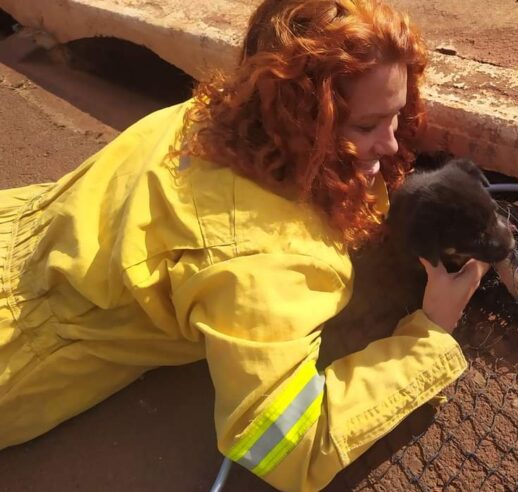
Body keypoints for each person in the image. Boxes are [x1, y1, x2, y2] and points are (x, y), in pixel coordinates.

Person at [0, 0, 489, 490]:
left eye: (395, 116)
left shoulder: (208, 114)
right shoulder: (266, 261)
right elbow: (287, 446)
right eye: (365, 125)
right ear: (303, 118)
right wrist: (431, 334)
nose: (388, 144)